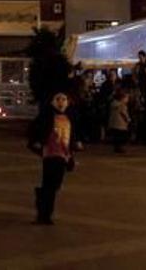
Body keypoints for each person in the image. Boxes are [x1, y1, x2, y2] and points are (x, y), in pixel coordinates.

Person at [27, 92, 82, 225]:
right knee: (49, 186)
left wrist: (75, 146)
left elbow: (72, 135)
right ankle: (43, 214)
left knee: (55, 186)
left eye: (64, 99)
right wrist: (37, 142)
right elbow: (34, 130)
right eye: (58, 99)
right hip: (50, 155)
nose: (61, 102)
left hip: (63, 155)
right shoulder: (46, 116)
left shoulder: (70, 117)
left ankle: (44, 210)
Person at [109, 89, 131, 154]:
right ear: (122, 98)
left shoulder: (113, 104)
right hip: (121, 124)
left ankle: (117, 147)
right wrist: (128, 119)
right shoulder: (122, 105)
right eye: (127, 98)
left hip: (114, 123)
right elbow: (124, 114)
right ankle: (120, 147)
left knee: (116, 136)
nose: (127, 99)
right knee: (121, 136)